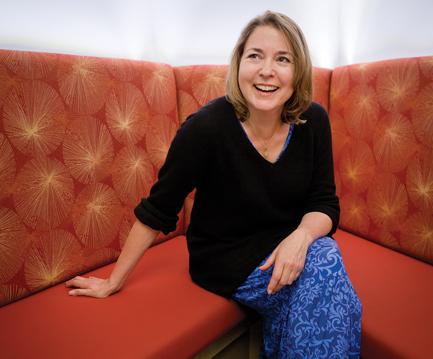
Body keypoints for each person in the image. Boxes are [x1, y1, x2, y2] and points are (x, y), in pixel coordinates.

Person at [66, 10, 362, 358]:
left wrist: (301, 237)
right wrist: (113, 281)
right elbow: (159, 208)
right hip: (226, 257)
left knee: (324, 272)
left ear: (298, 72)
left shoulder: (314, 121)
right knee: (329, 273)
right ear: (238, 65)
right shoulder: (205, 128)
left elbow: (324, 203)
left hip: (292, 248)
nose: (267, 70)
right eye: (255, 56)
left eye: (283, 59)